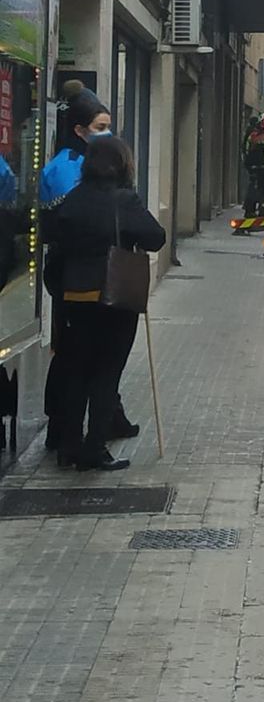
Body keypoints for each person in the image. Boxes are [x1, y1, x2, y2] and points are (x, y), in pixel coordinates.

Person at [42, 135, 166, 471]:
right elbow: (156, 237)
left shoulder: (70, 201)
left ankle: (68, 447)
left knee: (76, 372)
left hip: (74, 300)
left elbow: (50, 239)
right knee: (106, 374)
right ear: (123, 164)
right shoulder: (125, 201)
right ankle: (94, 448)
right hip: (115, 299)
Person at [40, 84, 131, 452]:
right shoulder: (67, 168)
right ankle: (65, 431)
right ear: (79, 130)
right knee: (75, 355)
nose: (106, 133)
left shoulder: (89, 165)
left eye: (108, 126)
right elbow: (72, 224)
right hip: (73, 271)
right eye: (99, 126)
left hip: (85, 271)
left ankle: (95, 422)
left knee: (83, 354)